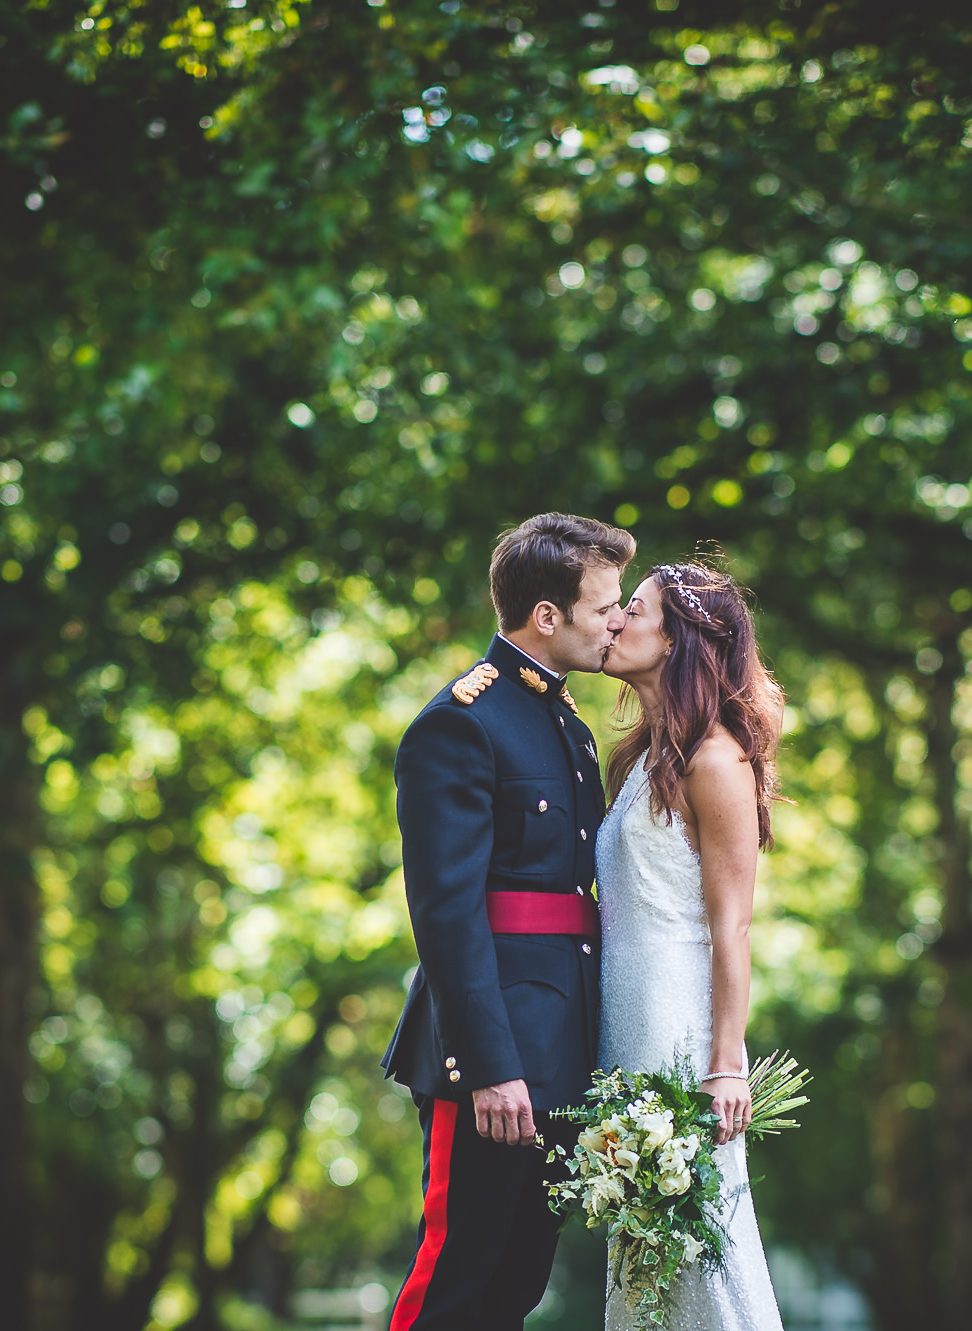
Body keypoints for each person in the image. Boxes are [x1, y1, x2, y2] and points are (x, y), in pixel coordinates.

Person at [381, 512, 634, 1331]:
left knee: (515, 1287)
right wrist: (487, 1064)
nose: (618, 622)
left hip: (562, 1038)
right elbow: (446, 912)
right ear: (548, 615)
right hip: (493, 1053)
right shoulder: (462, 721)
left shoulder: (567, 722)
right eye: (605, 608)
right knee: (455, 1278)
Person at [596, 560, 787, 1331]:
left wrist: (725, 1064)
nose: (614, 621)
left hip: (683, 1036)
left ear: (677, 640)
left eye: (631, 609)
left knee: (703, 1248)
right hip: (624, 1027)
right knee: (643, 1260)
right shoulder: (640, 760)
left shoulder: (717, 760)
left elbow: (731, 925)